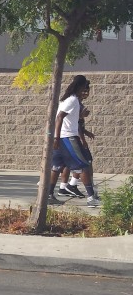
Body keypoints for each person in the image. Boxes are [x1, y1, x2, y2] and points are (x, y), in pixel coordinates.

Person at [49, 75, 99, 207]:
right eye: (84, 87)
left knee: (56, 167)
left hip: (63, 137)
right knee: (83, 166)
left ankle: (49, 195)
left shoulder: (68, 100)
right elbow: (59, 117)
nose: (85, 90)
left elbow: (70, 120)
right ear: (80, 86)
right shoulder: (72, 100)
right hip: (68, 138)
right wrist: (57, 138)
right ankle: (91, 198)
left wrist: (82, 121)